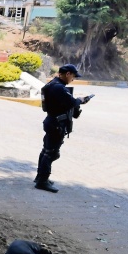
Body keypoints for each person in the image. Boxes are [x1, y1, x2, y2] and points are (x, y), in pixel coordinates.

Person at [34, 64, 93, 193]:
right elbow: (72, 102)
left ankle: (40, 177)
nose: (73, 79)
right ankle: (42, 181)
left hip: (51, 121)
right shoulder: (59, 87)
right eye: (73, 76)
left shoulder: (53, 84)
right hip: (56, 124)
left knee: (46, 151)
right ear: (67, 74)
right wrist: (81, 100)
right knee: (51, 153)